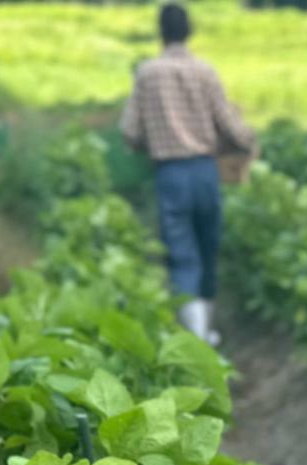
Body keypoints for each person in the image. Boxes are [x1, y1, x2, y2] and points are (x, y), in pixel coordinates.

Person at [118, 3, 258, 347]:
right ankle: (206, 332)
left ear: (160, 32)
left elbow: (130, 131)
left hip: (169, 173)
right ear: (189, 31)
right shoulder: (204, 72)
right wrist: (247, 142)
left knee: (181, 253)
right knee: (208, 246)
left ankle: (195, 340)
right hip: (205, 171)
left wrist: (151, 138)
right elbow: (228, 124)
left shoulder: (147, 74)